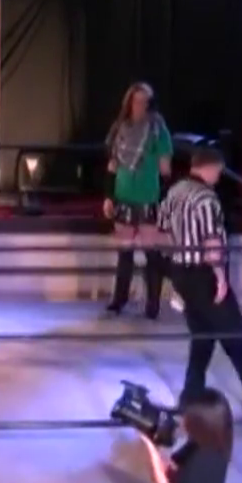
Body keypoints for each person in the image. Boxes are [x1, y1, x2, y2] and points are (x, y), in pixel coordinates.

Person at [157, 146, 242, 412]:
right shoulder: (207, 198)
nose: (218, 178)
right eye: (218, 172)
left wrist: (176, 265)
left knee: (203, 335)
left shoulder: (175, 191)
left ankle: (191, 396)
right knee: (236, 333)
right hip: (203, 274)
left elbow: (162, 232)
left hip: (181, 270)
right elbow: (212, 241)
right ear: (211, 168)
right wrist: (220, 277)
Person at [102, 82, 173, 319]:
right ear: (129, 102)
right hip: (123, 194)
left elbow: (165, 169)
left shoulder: (158, 129)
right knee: (125, 253)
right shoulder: (120, 128)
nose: (141, 105)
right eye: (137, 100)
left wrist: (164, 200)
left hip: (148, 196)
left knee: (151, 253)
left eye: (146, 101)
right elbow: (112, 166)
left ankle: (152, 305)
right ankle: (119, 300)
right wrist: (108, 197)